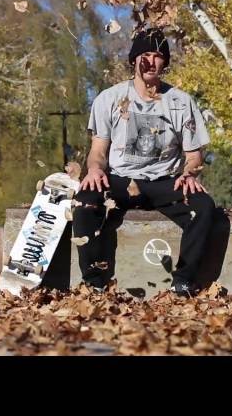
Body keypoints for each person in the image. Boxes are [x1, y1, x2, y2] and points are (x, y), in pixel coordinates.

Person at [72, 28, 214, 297]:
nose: (151, 61)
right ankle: (94, 282)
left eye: (158, 55)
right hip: (122, 181)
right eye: (145, 55)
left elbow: (194, 156)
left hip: (164, 182)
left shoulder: (181, 102)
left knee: (204, 206)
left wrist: (189, 174)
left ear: (165, 63)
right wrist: (93, 170)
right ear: (134, 60)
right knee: (85, 199)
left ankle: (183, 281)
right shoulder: (110, 98)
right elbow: (99, 151)